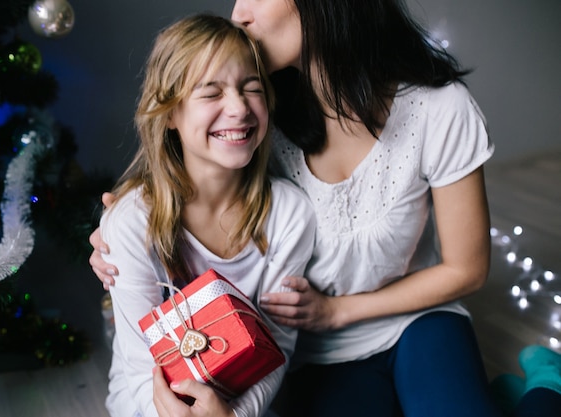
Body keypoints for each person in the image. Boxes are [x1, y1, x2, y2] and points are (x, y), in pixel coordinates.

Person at [91, 1, 561, 416]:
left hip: (417, 321)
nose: (238, 13)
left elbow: (468, 268)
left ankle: (544, 386)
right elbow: (190, 172)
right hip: (319, 353)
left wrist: (338, 310)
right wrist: (117, 230)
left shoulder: (438, 109)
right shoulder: (259, 121)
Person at [98, 14, 316, 417]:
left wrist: (232, 415)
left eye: (251, 88)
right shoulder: (130, 222)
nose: (238, 107)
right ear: (169, 115)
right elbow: (139, 367)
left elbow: (276, 346)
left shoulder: (289, 214)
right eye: (210, 93)